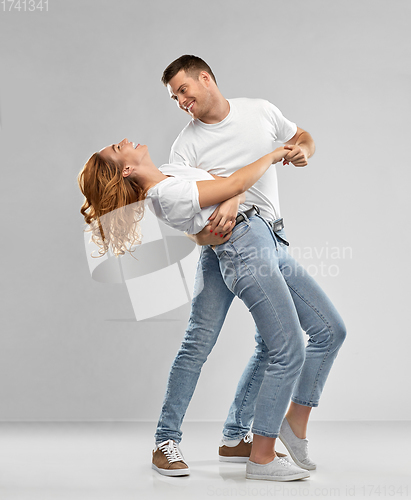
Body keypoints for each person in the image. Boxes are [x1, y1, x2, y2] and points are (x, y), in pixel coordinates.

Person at [152, 55, 347, 480]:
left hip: (271, 235)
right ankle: (166, 439)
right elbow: (192, 222)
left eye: (184, 91)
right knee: (199, 343)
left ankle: (242, 434)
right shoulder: (185, 147)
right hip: (225, 246)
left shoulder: (259, 111)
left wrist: (300, 151)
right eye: (174, 98)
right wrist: (228, 206)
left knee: (316, 333)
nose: (181, 102)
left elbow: (304, 136)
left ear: (206, 78)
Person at [78, 138, 312, 481]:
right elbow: (233, 184)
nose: (123, 141)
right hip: (233, 249)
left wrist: (231, 196)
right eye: (116, 148)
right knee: (221, 345)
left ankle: (232, 437)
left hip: (225, 247)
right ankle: (167, 440)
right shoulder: (165, 193)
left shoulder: (170, 173)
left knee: (224, 343)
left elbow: (230, 183)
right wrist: (274, 155)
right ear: (126, 169)